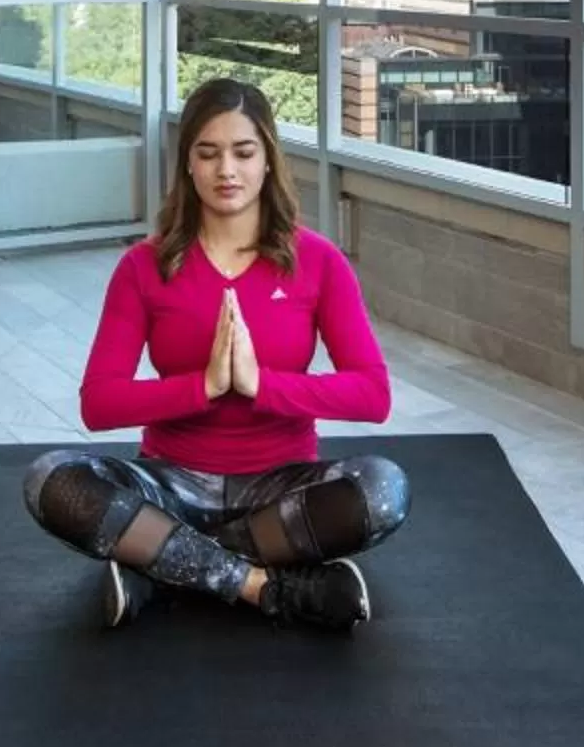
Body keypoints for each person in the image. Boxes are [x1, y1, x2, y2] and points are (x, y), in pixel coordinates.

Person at [22, 78, 409, 631]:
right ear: (188, 164)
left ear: (268, 161)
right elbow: (99, 403)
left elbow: (373, 395)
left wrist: (260, 385)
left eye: (243, 153)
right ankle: (259, 586)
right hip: (169, 485)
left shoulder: (319, 262)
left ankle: (165, 563)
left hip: (281, 489)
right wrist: (202, 387)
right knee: (49, 479)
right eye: (208, 154)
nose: (226, 170)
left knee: (385, 490)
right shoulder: (143, 267)